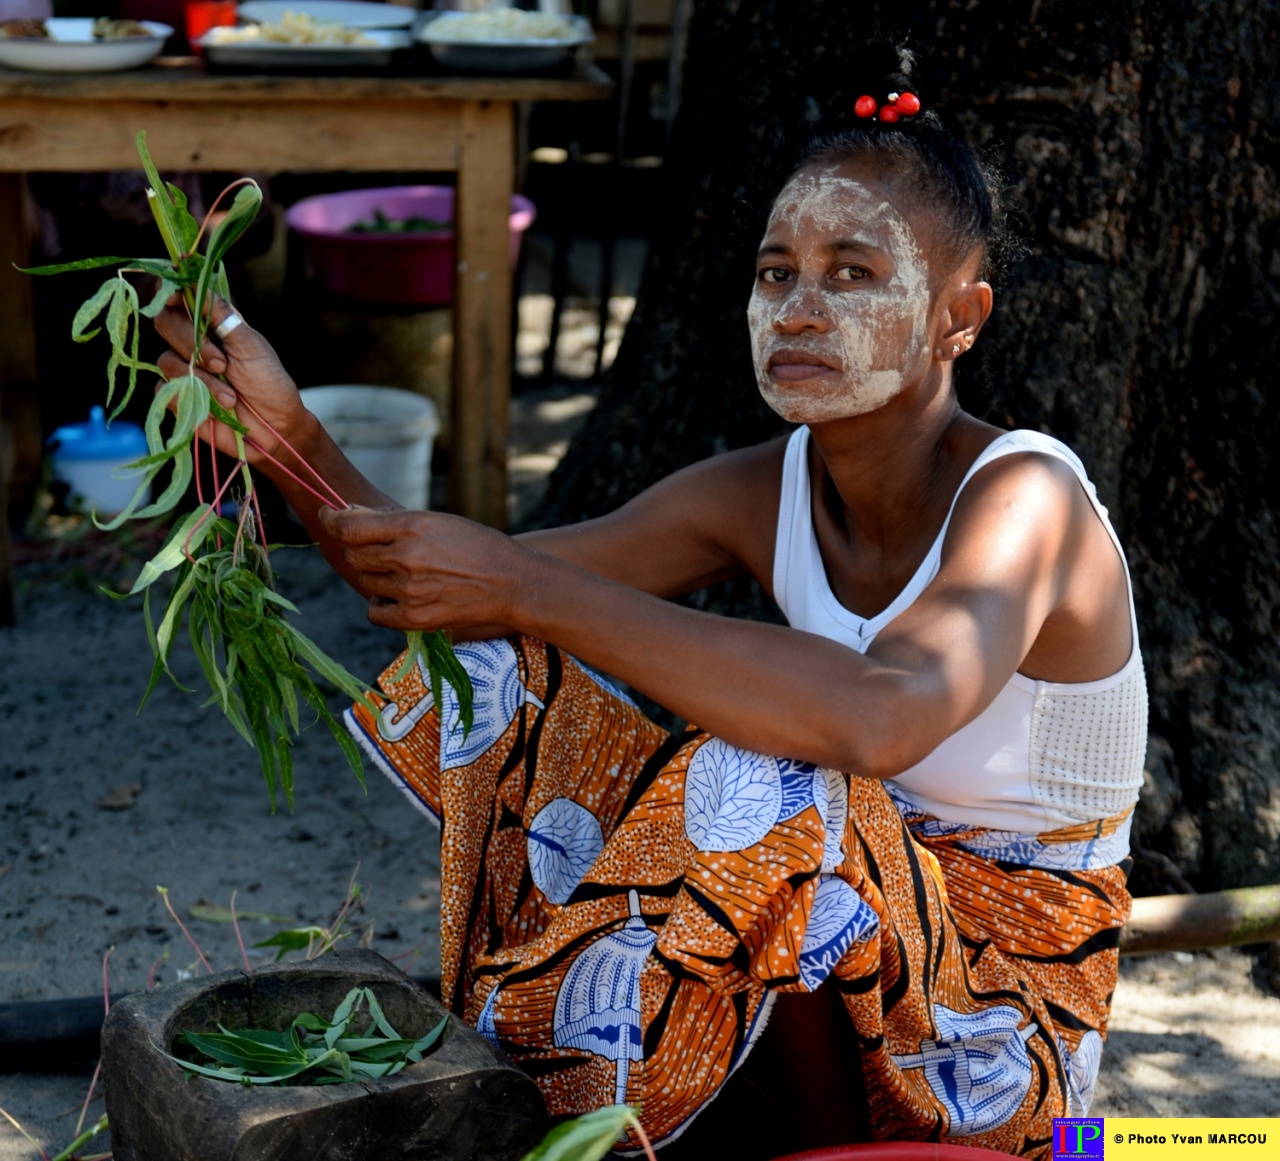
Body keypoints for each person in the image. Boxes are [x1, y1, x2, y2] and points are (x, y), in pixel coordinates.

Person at [154, 46, 1145, 1160]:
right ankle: (599, 1085)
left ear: (958, 317)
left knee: (761, 782)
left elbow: (881, 716)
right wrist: (287, 444)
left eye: (853, 275)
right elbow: (445, 589)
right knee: (504, 666)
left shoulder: (1025, 495)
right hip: (832, 958)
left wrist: (529, 586)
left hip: (1001, 1035)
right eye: (777, 273)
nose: (801, 309)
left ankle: (742, 1129)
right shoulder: (759, 488)